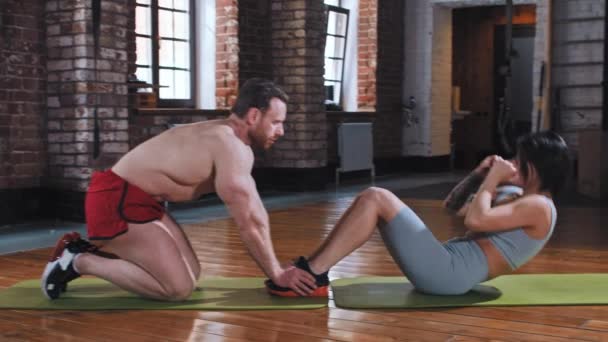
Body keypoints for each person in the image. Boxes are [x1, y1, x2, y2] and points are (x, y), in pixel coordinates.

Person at [42, 78, 320, 301]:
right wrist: (276, 273)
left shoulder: (229, 139)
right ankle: (78, 260)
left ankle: (102, 251)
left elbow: (256, 211)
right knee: (177, 289)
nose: (281, 131)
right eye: (276, 122)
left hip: (140, 200)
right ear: (254, 115)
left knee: (192, 273)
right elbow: (248, 222)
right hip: (115, 199)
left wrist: (275, 266)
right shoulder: (229, 145)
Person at [267, 131, 570, 296]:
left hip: (449, 275)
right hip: (446, 264)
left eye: (520, 160)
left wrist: (492, 181)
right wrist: (479, 175)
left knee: (376, 197)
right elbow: (453, 207)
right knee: (373, 200)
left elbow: (475, 220)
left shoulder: (540, 207)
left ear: (539, 168)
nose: (513, 163)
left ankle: (314, 274)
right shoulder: (519, 197)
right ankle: (314, 268)